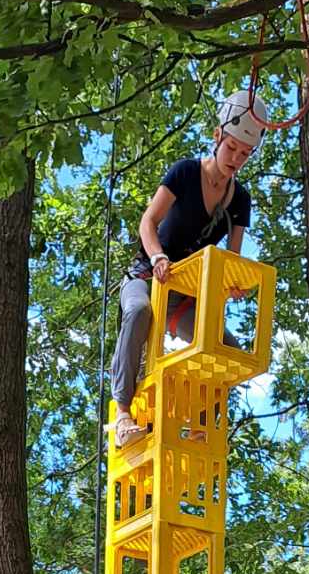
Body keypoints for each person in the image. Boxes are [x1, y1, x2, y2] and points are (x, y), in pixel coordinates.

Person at [108, 90, 267, 449]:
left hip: (183, 297)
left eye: (245, 154)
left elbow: (232, 259)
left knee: (226, 347)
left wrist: (234, 284)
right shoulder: (184, 172)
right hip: (147, 277)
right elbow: (148, 221)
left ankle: (198, 427)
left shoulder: (240, 201)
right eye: (231, 148)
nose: (236, 158)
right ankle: (123, 415)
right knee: (138, 311)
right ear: (217, 136)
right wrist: (157, 257)